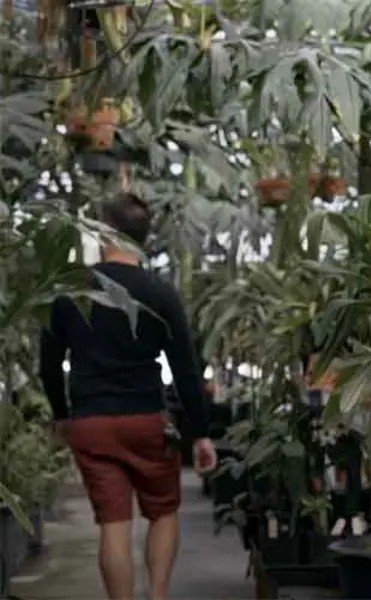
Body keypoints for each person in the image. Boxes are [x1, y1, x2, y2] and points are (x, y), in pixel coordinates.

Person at [39, 192, 217, 600]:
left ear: (103, 230)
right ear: (144, 238)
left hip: (92, 422)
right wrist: (202, 433)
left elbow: (48, 364)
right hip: (147, 422)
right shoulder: (160, 292)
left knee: (113, 524)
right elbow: (187, 369)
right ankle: (157, 595)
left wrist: (61, 415)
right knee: (162, 511)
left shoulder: (70, 290)